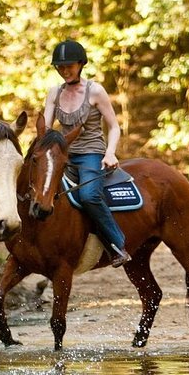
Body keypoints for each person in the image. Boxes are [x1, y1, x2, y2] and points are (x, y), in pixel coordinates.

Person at [42, 39, 131, 268]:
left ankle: (117, 244)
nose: (64, 71)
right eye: (60, 67)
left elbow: (114, 126)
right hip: (63, 155)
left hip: (91, 153)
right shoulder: (54, 93)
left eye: (69, 66)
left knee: (89, 195)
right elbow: (46, 129)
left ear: (81, 64)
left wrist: (110, 153)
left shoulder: (95, 91)